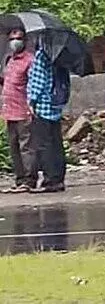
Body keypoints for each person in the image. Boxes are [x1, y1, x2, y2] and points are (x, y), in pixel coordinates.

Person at [25, 43, 65, 192]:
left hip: (42, 106)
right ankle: (58, 179)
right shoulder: (59, 55)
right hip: (55, 105)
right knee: (56, 144)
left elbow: (38, 81)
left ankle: (50, 180)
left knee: (44, 145)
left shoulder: (42, 55)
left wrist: (31, 100)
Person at [2, 30, 35, 193]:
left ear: (24, 41)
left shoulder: (30, 60)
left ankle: (29, 180)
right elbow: (7, 81)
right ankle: (20, 178)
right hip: (9, 111)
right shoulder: (9, 60)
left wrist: (32, 105)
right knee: (14, 147)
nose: (15, 42)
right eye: (12, 39)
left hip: (24, 110)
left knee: (26, 146)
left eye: (18, 39)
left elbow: (33, 84)